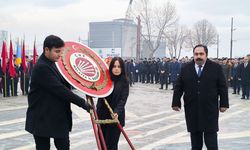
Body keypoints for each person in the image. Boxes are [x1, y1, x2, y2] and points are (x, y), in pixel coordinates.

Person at [25, 35, 92, 150]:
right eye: (57, 51)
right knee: (43, 147)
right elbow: (60, 90)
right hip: (42, 118)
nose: (60, 55)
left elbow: (67, 82)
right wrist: (83, 103)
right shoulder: (42, 67)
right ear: (46, 50)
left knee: (64, 146)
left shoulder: (54, 63)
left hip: (57, 118)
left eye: (61, 51)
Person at [172, 44, 229, 150]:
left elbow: (222, 87)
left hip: (209, 109)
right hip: (192, 108)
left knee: (211, 143)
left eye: (201, 54)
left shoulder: (216, 68)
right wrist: (176, 102)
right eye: (196, 54)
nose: (198, 56)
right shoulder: (186, 68)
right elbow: (179, 86)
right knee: (195, 144)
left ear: (206, 55)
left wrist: (224, 104)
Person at [96, 57, 129, 150]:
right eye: (114, 66)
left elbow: (123, 100)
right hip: (102, 116)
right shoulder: (104, 80)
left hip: (115, 117)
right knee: (102, 144)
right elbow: (96, 92)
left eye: (119, 66)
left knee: (111, 145)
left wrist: (116, 112)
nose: (117, 68)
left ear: (122, 68)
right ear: (111, 67)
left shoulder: (124, 81)